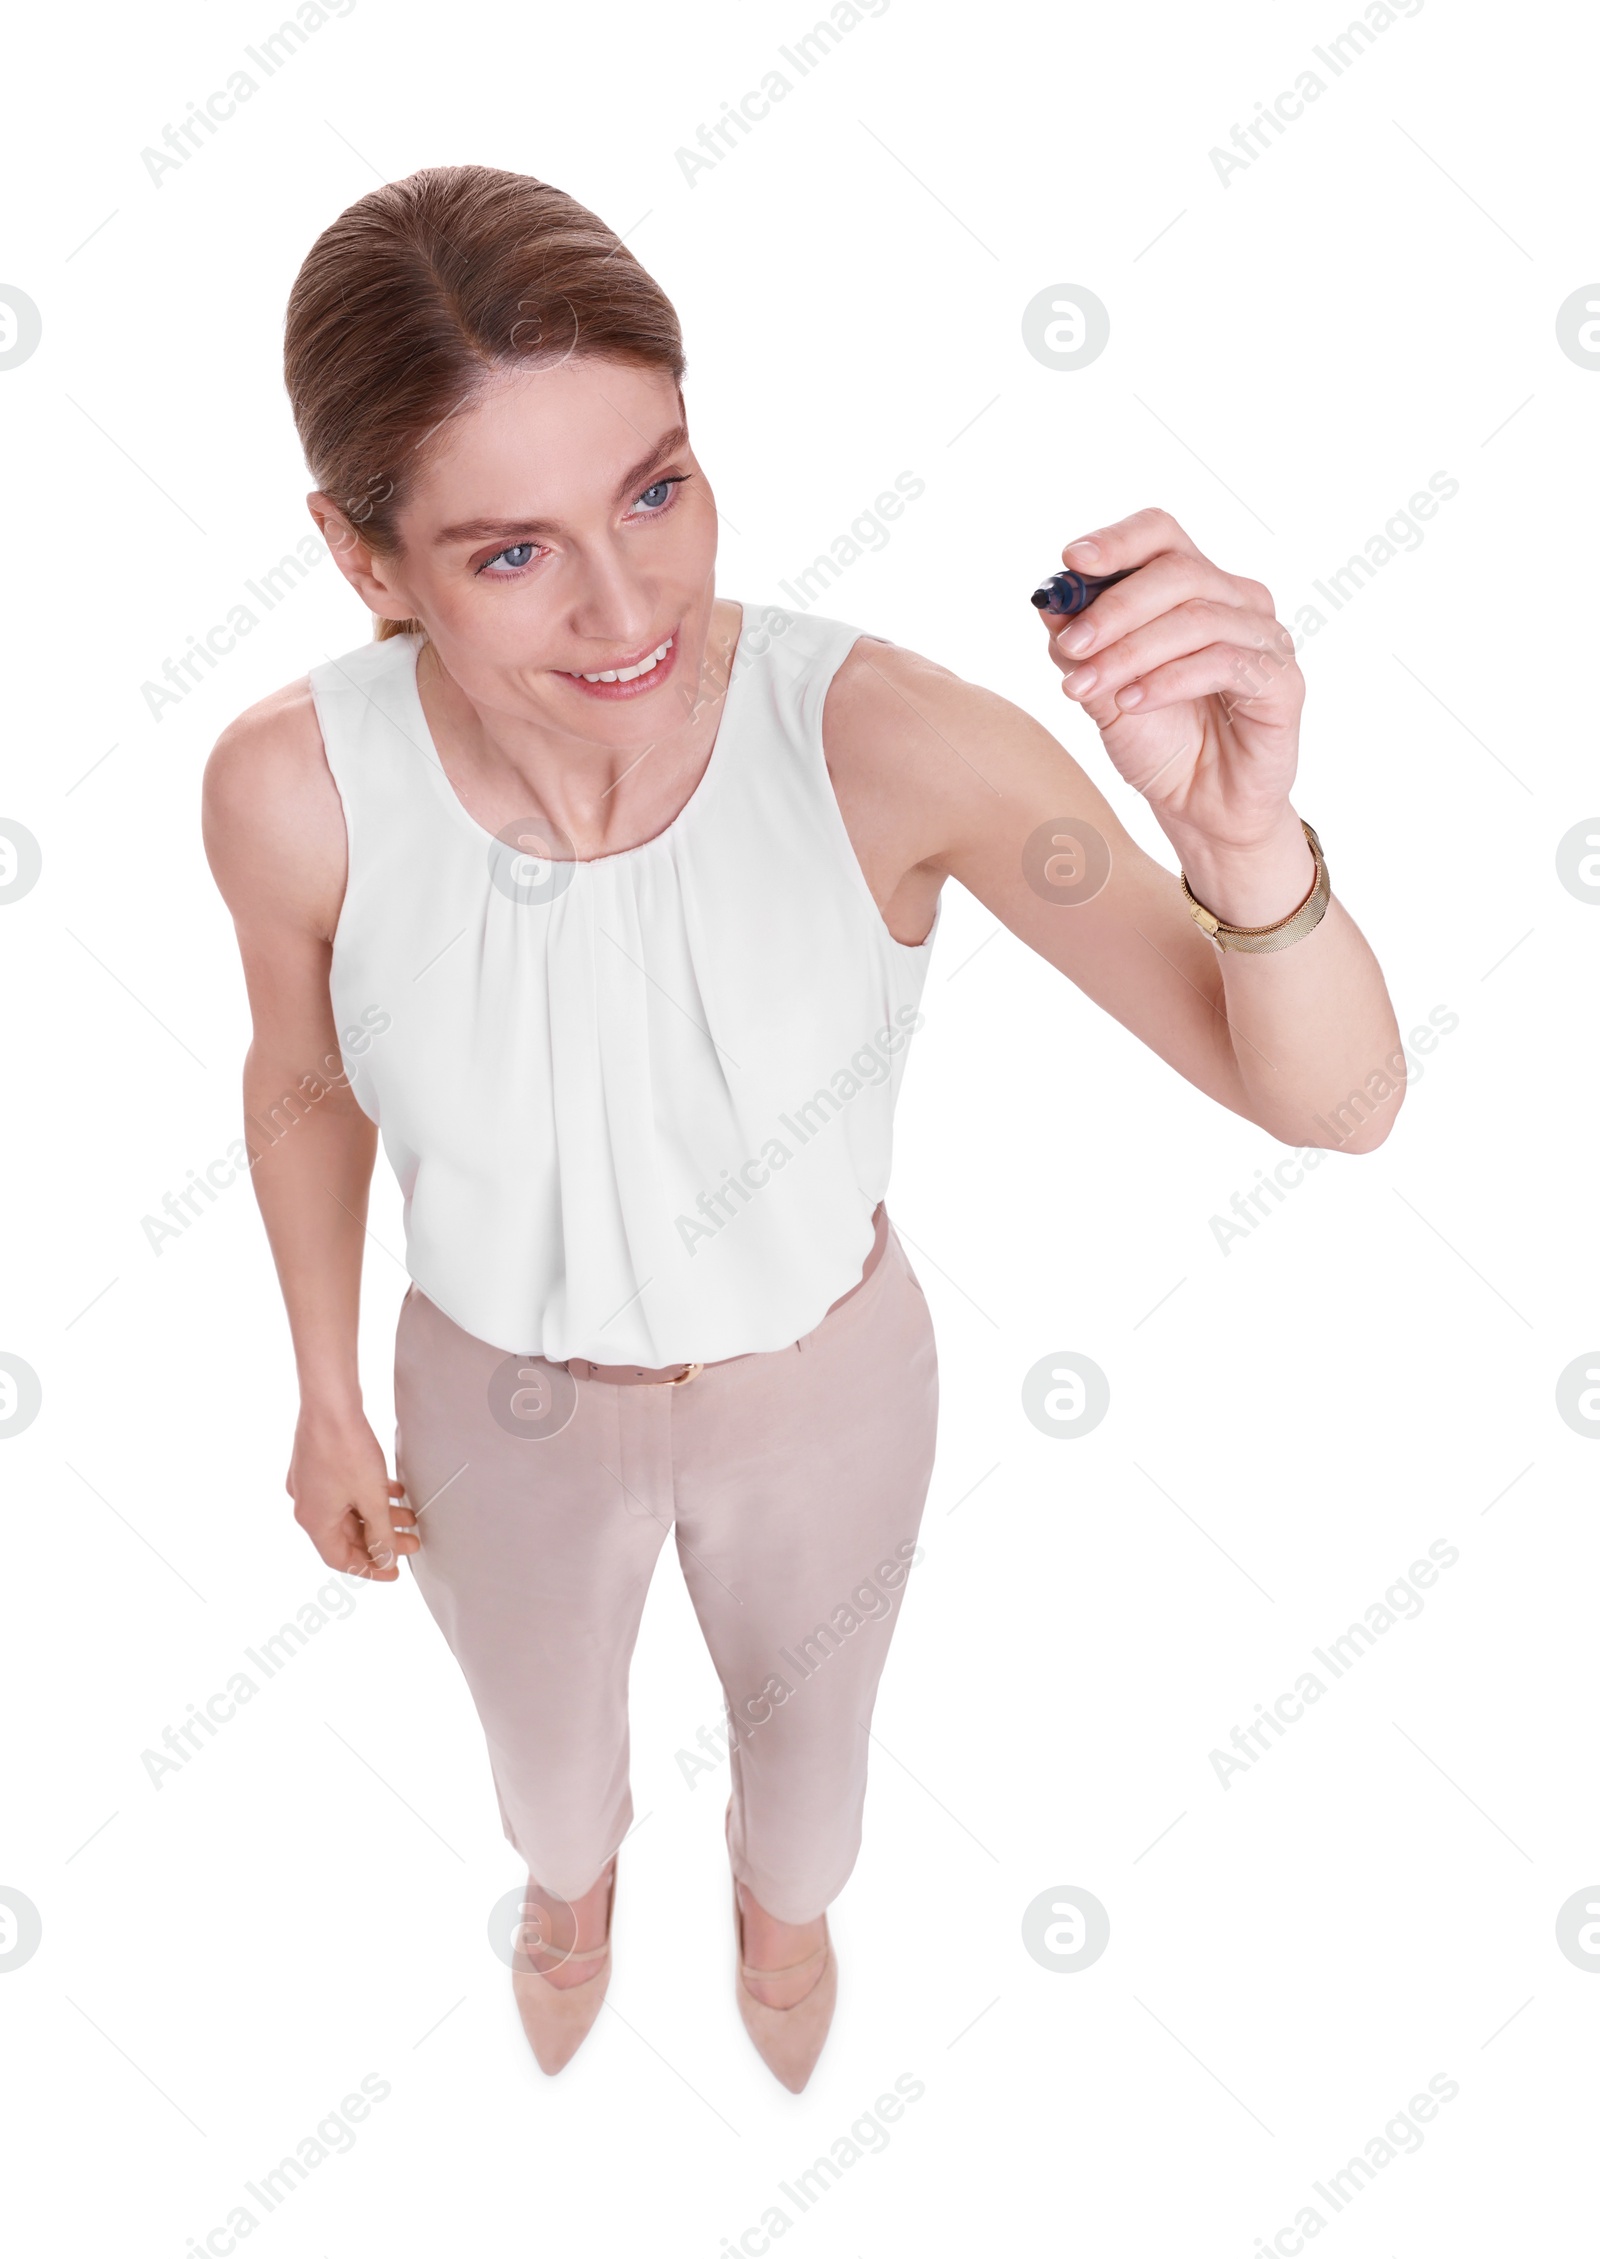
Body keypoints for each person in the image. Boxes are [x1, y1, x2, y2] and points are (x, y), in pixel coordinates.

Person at [201, 165, 1402, 2091]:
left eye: (655, 489)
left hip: (822, 1384)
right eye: (511, 553)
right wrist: (324, 1392)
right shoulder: (288, 785)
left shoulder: (884, 739)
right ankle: (573, 1908)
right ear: (364, 555)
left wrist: (1246, 841)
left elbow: (1336, 1101)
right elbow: (301, 1073)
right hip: (488, 1398)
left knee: (811, 1757)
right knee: (548, 1771)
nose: (626, 606)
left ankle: (784, 1931)